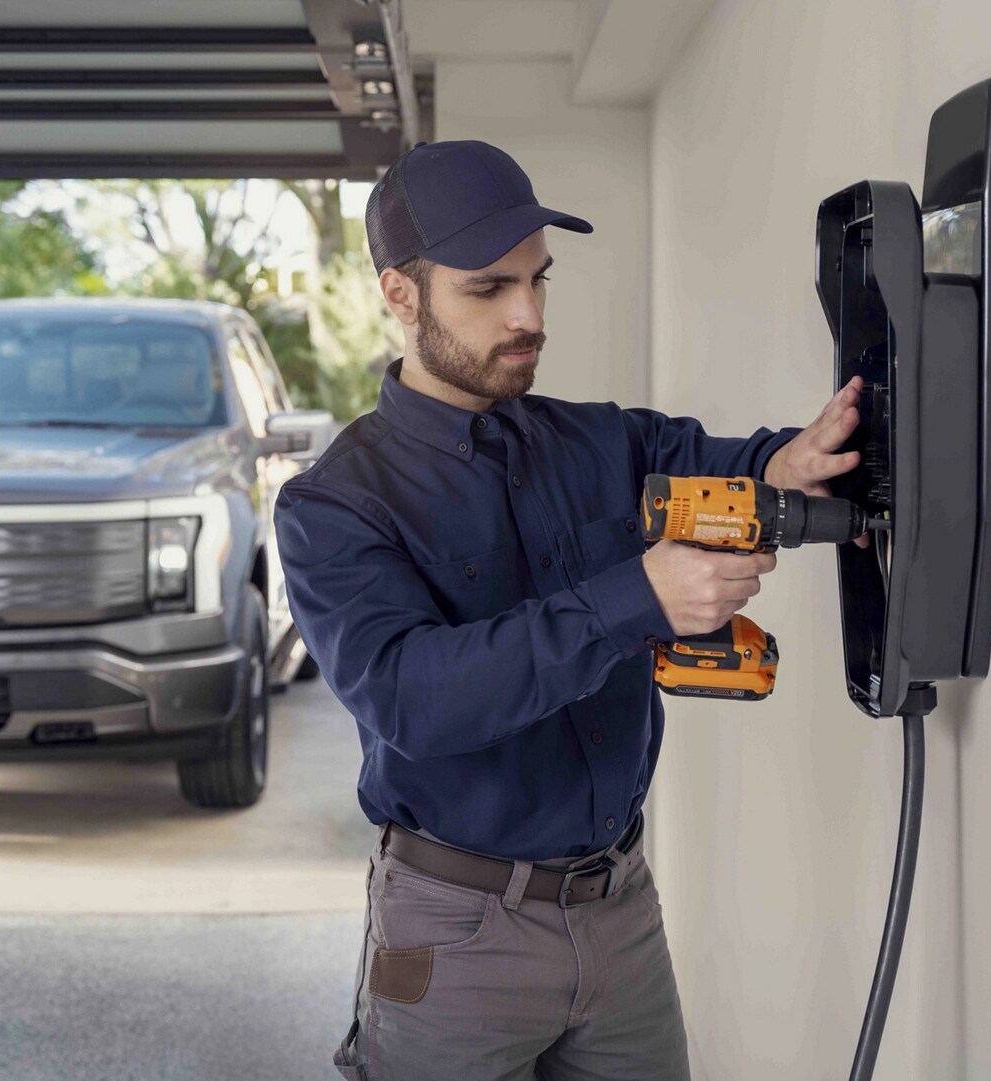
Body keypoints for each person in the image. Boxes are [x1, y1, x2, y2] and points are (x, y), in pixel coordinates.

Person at [273, 139, 866, 1080]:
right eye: (489, 288)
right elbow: (412, 699)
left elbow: (724, 461)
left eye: (539, 281)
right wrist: (638, 597)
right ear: (400, 293)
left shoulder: (598, 441)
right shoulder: (334, 504)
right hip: (456, 931)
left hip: (621, 908)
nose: (528, 316)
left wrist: (786, 462)